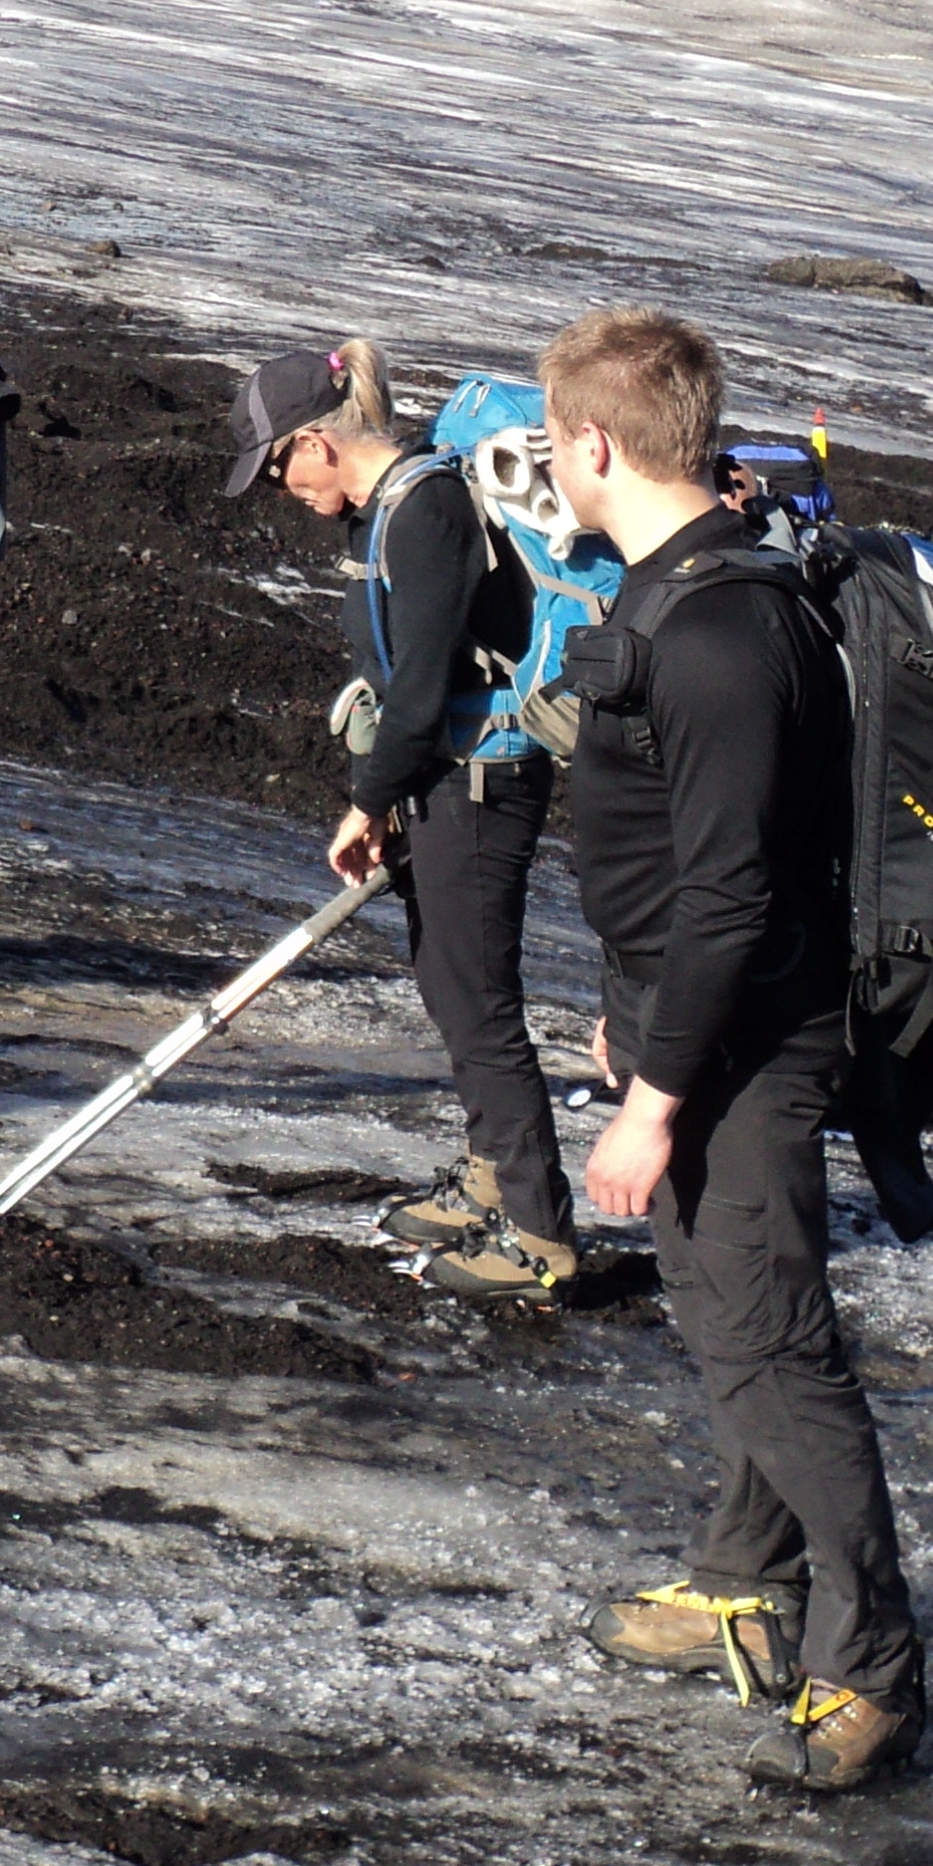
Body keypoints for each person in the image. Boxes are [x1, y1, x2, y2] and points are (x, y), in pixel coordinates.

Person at [541, 306, 923, 1791]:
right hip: (696, 1014)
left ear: (593, 445)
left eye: (552, 447)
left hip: (750, 1048)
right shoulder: (689, 592)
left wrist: (652, 1099)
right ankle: (744, 1580)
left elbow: (733, 896)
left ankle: (874, 1668)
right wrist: (632, 1009)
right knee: (736, 1329)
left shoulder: (717, 634)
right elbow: (688, 883)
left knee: (774, 1346)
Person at [222, 342, 574, 1304]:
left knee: (478, 1002)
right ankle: (492, 1177)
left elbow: (422, 693)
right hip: (445, 779)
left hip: (480, 783)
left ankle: (542, 1235)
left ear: (318, 445)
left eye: (278, 467)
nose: (279, 490)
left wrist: (367, 800)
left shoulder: (423, 513)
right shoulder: (395, 510)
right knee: (449, 982)